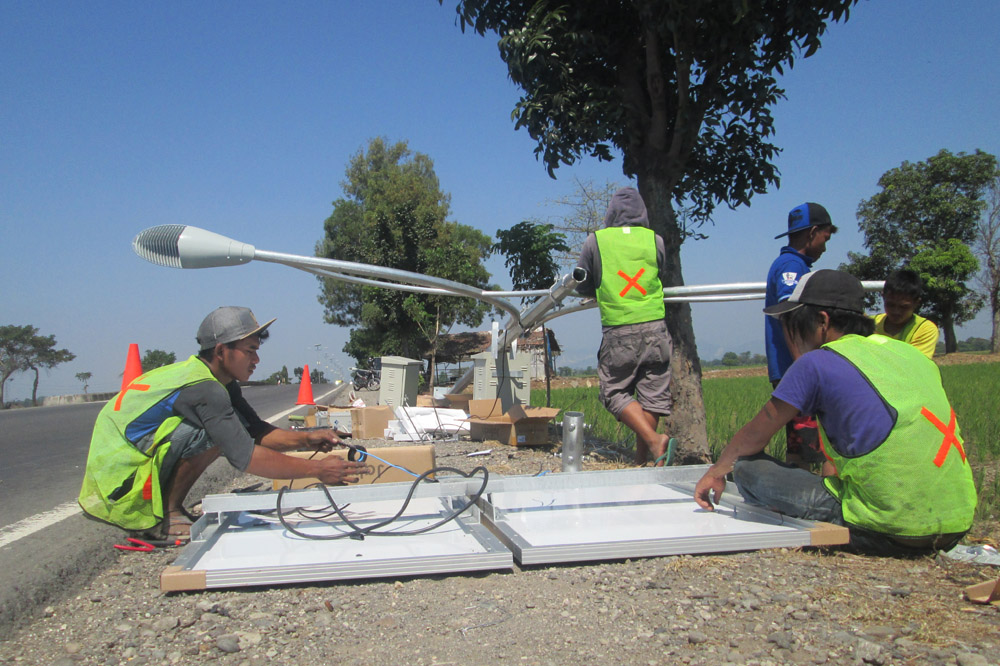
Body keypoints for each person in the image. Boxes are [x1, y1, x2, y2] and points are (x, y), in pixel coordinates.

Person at [695, 270, 977, 556]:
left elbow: (755, 435)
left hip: (887, 529)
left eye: (794, 325)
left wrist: (717, 471)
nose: (792, 337)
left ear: (822, 321)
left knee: (746, 468)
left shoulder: (817, 362)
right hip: (956, 524)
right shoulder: (912, 355)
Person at [79, 306, 366, 539]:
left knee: (227, 429)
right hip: (119, 481)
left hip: (129, 466)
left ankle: (168, 508)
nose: (256, 359)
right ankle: (164, 519)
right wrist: (317, 470)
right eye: (249, 350)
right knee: (213, 433)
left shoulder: (218, 380)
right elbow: (245, 455)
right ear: (220, 351)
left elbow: (255, 431)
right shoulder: (205, 388)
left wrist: (308, 438)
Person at [575, 187, 673, 465]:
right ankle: (646, 463)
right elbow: (660, 273)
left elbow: (583, 283)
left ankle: (655, 442)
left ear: (610, 213)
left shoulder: (596, 241)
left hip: (620, 329)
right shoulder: (655, 240)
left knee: (612, 391)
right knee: (651, 398)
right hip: (656, 328)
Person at [765, 202, 837, 470]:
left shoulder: (794, 265)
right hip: (794, 368)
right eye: (824, 238)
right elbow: (789, 313)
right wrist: (803, 365)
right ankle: (819, 501)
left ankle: (795, 502)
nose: (825, 247)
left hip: (791, 368)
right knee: (819, 446)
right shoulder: (791, 267)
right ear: (813, 232)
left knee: (800, 446)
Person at [873, 268, 939, 359]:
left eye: (904, 307)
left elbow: (911, 365)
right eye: (890, 305)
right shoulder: (872, 323)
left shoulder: (925, 329)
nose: (896, 311)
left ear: (917, 303)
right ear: (883, 297)